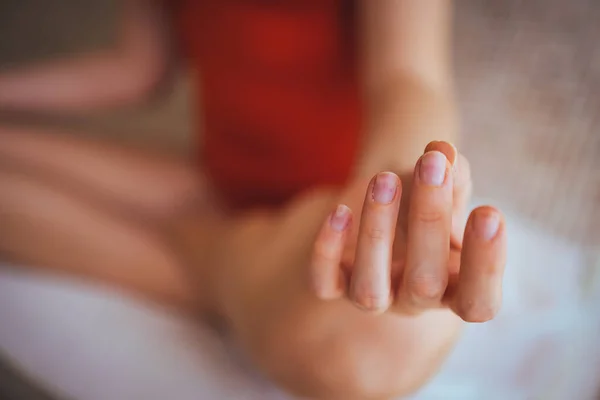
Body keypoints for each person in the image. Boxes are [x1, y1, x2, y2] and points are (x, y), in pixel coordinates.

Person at [0, 1, 507, 399]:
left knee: (363, 351)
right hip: (219, 183)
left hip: (324, 215)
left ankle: (219, 260)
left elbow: (409, 79)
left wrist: (395, 181)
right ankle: (226, 265)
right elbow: (135, 71)